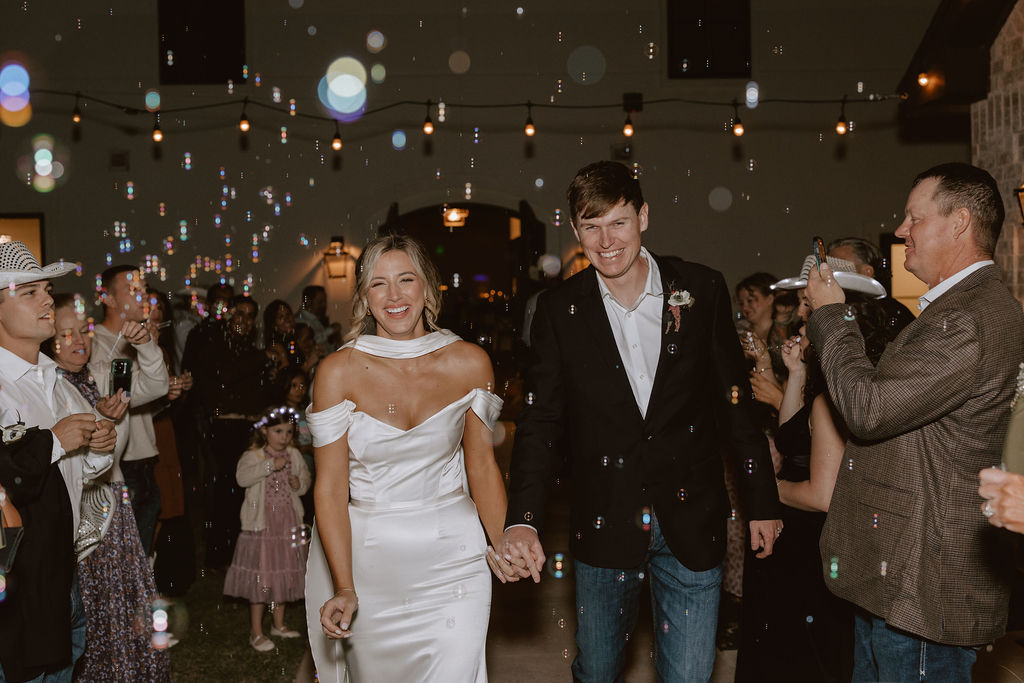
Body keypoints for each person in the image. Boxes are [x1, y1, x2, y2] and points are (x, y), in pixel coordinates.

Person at [498, 161, 782, 682]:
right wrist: (523, 519)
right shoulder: (560, 311)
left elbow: (733, 404)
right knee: (600, 669)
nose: (605, 241)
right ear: (575, 230)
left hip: (692, 519)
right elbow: (540, 424)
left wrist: (761, 499)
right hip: (605, 519)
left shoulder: (701, 289)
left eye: (618, 222)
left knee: (691, 675)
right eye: (590, 226)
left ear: (643, 216)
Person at [805, 162, 1024, 681]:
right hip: (899, 578)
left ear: (959, 223)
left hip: (924, 590)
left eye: (913, 217)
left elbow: (869, 409)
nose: (901, 231)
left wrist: (832, 315)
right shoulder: (957, 308)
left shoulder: (968, 319)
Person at [305, 234, 508, 682]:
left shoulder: (471, 363)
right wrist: (343, 585)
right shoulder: (337, 373)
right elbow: (331, 488)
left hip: (457, 561)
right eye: (378, 284)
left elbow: (481, 466)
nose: (394, 296)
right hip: (369, 563)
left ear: (427, 288)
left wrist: (503, 541)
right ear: (363, 297)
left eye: (406, 279)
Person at [736, 256, 890, 683]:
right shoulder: (833, 384)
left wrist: (767, 489)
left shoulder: (833, 400)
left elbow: (823, 494)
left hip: (808, 544)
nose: (802, 315)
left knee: (796, 656)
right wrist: (797, 372)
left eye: (809, 304)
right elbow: (789, 436)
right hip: (801, 536)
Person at [0, 240, 117, 682]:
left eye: (47, 289)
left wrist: (96, 452)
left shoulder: (59, 383)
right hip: (14, 586)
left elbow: (76, 479)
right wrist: (54, 440)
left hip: (61, 577)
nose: (48, 299)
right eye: (29, 292)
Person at [42, 293, 172, 682]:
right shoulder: (46, 386)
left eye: (83, 330)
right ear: (49, 340)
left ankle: (127, 672)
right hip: (74, 512)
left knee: (123, 598)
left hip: (113, 498)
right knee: (86, 603)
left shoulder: (102, 372)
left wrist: (146, 343)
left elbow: (156, 385)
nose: (80, 340)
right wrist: (99, 416)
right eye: (66, 334)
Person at [90, 265, 171, 555]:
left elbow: (151, 392)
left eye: (145, 288)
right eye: (133, 289)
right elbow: (116, 398)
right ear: (108, 299)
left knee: (143, 548)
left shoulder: (142, 338)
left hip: (145, 456)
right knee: (123, 552)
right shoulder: (91, 345)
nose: (144, 296)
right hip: (117, 464)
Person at [191, 294, 273, 568]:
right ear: (229, 317)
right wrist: (263, 358)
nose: (246, 321)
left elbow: (257, 394)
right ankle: (219, 554)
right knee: (225, 490)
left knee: (246, 492)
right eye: (240, 314)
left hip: (247, 429)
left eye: (250, 316)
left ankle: (242, 552)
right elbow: (223, 379)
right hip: (222, 429)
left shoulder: (249, 350)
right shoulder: (213, 346)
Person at [223, 405, 311, 652]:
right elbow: (242, 478)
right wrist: (271, 466)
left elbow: (305, 482)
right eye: (278, 431)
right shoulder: (255, 456)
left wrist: (299, 483)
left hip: (287, 522)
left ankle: (278, 624)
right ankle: (256, 631)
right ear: (264, 432)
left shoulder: (294, 455)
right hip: (263, 525)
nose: (284, 437)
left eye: (289, 432)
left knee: (283, 571)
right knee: (263, 576)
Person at [827, 236, 916, 336]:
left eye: (838, 266)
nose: (830, 274)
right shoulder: (838, 308)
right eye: (829, 268)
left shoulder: (890, 315)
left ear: (867, 272)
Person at [295, 285, 339, 354]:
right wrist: (331, 330)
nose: (324, 305)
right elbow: (313, 340)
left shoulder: (315, 317)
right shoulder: (300, 319)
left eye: (325, 301)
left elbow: (325, 345)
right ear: (308, 301)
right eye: (320, 302)